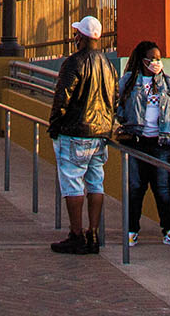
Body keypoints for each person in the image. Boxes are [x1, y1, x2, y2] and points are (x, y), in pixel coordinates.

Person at [47, 15, 118, 255]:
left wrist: (55, 125)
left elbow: (62, 97)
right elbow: (113, 99)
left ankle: (76, 234)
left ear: (81, 37)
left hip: (75, 131)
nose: (74, 36)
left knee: (72, 184)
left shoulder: (74, 62)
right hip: (100, 134)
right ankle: (93, 233)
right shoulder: (109, 65)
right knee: (96, 183)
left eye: (76, 33)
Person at [116, 39, 170, 248]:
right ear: (142, 61)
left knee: (163, 188)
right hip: (136, 142)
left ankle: (169, 229)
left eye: (159, 59)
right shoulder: (128, 82)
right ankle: (131, 230)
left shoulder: (169, 83)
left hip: (163, 143)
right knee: (136, 187)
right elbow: (117, 104)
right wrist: (126, 121)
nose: (156, 63)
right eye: (152, 59)